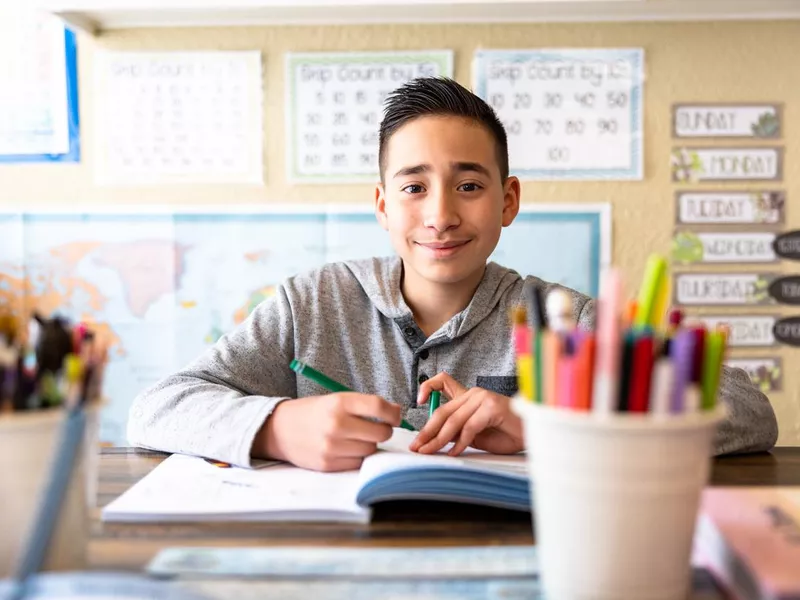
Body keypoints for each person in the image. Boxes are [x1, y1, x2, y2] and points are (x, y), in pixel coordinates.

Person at [127, 77, 778, 471]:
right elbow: (156, 409)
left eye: (469, 184)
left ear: (508, 200)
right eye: (413, 187)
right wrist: (275, 426)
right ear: (382, 205)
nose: (440, 215)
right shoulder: (311, 305)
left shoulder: (565, 320)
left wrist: (545, 421)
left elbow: (748, 412)